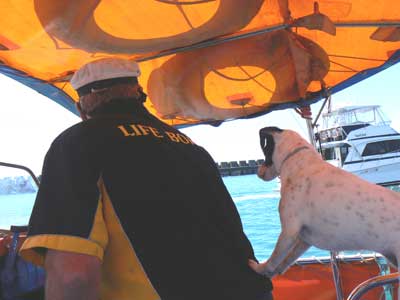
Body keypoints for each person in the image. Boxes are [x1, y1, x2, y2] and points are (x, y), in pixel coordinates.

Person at [19, 57, 273, 300]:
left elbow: (74, 275)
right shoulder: (192, 147)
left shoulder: (78, 142)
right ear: (139, 94)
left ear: (82, 107)